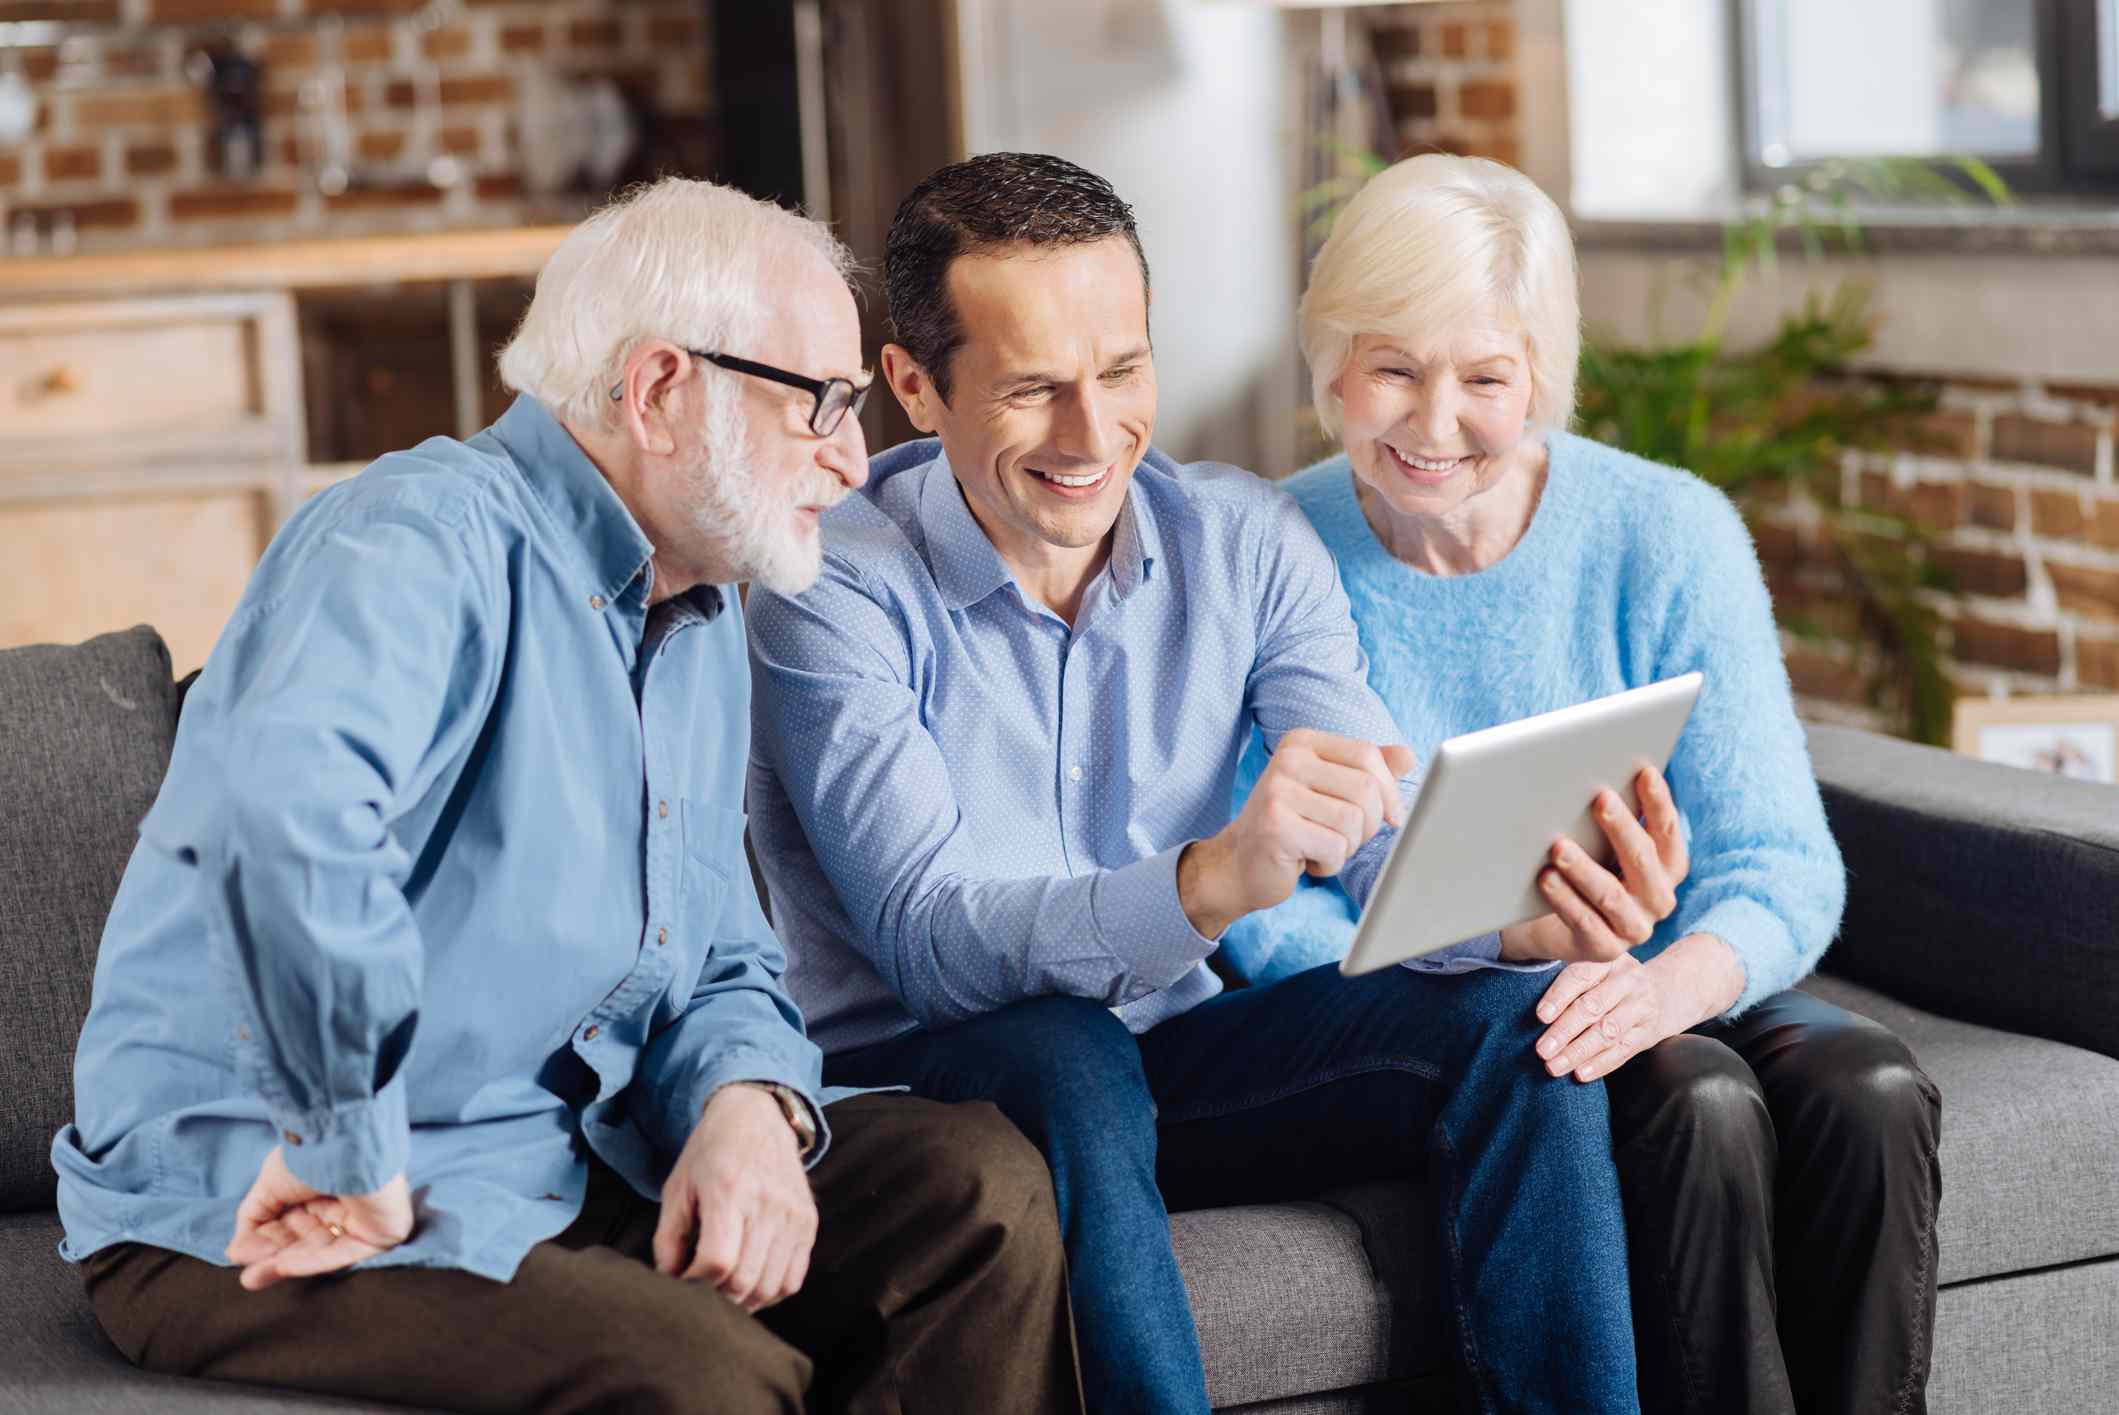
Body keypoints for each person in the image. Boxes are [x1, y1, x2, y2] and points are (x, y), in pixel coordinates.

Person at [53, 177, 1083, 1415]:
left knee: (978, 1192)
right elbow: (286, 832)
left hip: (556, 1160)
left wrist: (745, 1103)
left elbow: (720, 954)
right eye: (819, 404)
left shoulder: (698, 606)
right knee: (706, 1376)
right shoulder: (411, 538)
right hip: (264, 1196)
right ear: (658, 390)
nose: (855, 461)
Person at [747, 151, 1681, 1415]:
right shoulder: (828, 586)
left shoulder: (1243, 541)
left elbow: (1375, 832)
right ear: (914, 386)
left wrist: (1510, 919)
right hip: (931, 1077)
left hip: (1167, 1056)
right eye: (1032, 388)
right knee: (1064, 1045)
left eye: (1123, 372)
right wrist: (1204, 884)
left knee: (1520, 1025)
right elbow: (932, 945)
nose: (1093, 436)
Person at [1222, 153, 1942, 1415]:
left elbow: (1778, 858)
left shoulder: (1664, 531)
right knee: (1700, 1102)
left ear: (1541, 378)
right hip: (1441, 1025)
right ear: (1329, 364)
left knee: (1867, 1088)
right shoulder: (1264, 552)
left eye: (1485, 378)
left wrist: (1669, 981)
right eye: (1392, 368)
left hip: (1662, 978)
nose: (1433, 426)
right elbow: (1262, 906)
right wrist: (1495, 951)